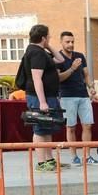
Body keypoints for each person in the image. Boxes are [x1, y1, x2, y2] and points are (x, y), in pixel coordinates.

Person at [24, 24, 65, 172]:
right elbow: (37, 78)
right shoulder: (36, 53)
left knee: (47, 128)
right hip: (39, 97)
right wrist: (42, 102)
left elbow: (60, 60)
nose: (49, 38)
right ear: (43, 37)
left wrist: (47, 45)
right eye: (48, 36)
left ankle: (49, 159)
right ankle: (41, 163)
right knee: (40, 128)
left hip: (49, 95)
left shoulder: (42, 51)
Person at [57, 31, 98, 167]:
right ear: (61, 42)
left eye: (72, 41)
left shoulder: (80, 56)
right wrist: (72, 68)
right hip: (66, 96)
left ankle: (87, 156)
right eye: (67, 42)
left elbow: (86, 74)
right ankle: (74, 157)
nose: (71, 44)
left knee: (87, 125)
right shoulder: (57, 57)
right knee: (70, 127)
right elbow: (59, 78)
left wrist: (91, 87)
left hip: (83, 95)